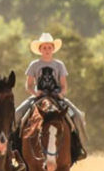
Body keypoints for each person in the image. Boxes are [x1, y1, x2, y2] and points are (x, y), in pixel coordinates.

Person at [13, 33, 88, 161]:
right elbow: (29, 85)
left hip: (56, 97)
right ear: (40, 50)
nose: (47, 50)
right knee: (17, 114)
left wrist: (61, 93)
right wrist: (36, 93)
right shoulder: (34, 65)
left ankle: (79, 146)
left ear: (53, 49)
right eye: (44, 48)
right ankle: (13, 146)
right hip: (38, 97)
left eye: (49, 47)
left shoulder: (59, 65)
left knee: (77, 115)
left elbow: (64, 86)